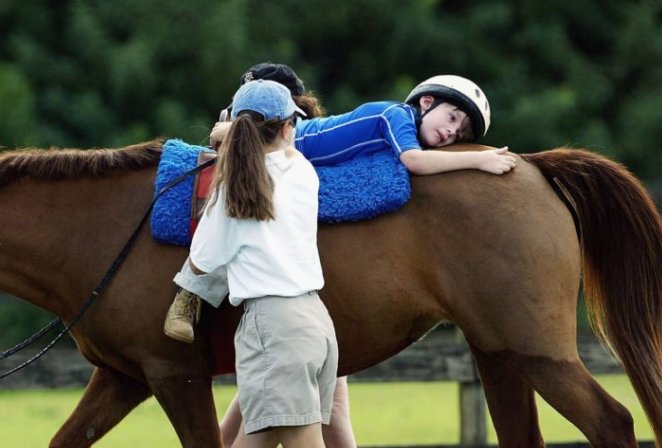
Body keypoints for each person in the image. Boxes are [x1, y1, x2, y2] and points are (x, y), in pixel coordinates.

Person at [152, 79, 387, 448]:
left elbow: (206, 259)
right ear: (287, 128)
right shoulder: (301, 172)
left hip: (271, 328)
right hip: (316, 325)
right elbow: (276, 150)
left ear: (236, 131)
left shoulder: (231, 192)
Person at [162, 68, 514, 343]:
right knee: (231, 201)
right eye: (452, 118)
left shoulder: (404, 126)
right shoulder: (397, 116)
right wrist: (478, 161)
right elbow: (415, 162)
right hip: (290, 138)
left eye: (463, 134)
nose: (454, 134)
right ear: (426, 103)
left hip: (298, 148)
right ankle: (190, 294)